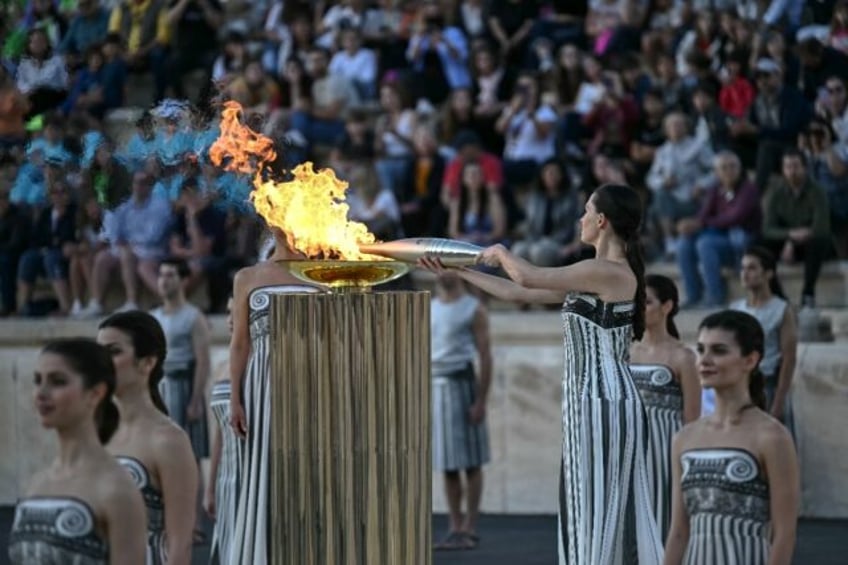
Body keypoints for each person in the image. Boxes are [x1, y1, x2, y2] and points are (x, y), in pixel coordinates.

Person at [420, 183, 663, 564]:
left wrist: (500, 252)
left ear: (601, 221)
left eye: (586, 211)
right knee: (586, 502)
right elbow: (519, 294)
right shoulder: (593, 274)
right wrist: (458, 269)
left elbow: (528, 277)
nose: (579, 218)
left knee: (598, 505)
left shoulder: (605, 270)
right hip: (590, 401)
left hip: (603, 401)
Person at [664, 310, 799, 564]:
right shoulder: (684, 438)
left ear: (750, 360)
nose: (705, 360)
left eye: (719, 350)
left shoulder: (772, 437)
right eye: (701, 349)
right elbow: (679, 532)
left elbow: (784, 534)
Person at [8, 338, 146, 565]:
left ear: (95, 393)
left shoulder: (117, 490)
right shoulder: (36, 484)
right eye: (37, 381)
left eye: (58, 381)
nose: (41, 393)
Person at [229, 228, 319, 564]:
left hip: (312, 382)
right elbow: (240, 342)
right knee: (267, 464)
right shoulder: (248, 277)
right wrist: (236, 398)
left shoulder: (323, 272)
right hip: (262, 382)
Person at [97, 311, 198, 565]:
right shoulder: (95, 431)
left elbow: (180, 547)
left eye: (113, 351)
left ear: (147, 363)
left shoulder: (169, 441)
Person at [630, 274, 701, 542]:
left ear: (667, 306)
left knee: (665, 521)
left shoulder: (683, 356)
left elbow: (692, 419)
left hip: (666, 449)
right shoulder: (628, 350)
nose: (639, 308)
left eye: (646, 301)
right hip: (631, 446)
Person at [150, 257, 211, 542]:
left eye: (170, 275)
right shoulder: (154, 317)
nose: (164, 280)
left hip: (185, 387)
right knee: (161, 458)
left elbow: (202, 361)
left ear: (182, 280)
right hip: (161, 388)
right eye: (161, 275)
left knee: (192, 459)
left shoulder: (193, 316)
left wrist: (196, 399)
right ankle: (168, 524)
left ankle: (195, 525)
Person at [430, 270, 492, 551]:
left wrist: (481, 399)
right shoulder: (429, 308)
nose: (444, 273)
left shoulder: (473, 308)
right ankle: (455, 527)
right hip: (436, 385)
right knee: (448, 463)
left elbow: (485, 354)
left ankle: (470, 526)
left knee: (471, 461)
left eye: (449, 267)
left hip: (463, 383)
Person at [730, 246, 797, 424]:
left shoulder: (781, 309)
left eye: (752, 268)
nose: (745, 273)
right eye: (743, 268)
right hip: (739, 384)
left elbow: (788, 359)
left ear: (768, 273)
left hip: (768, 383)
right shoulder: (736, 308)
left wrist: (779, 402)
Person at [206, 297, 243, 564]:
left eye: (237, 312)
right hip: (226, 476)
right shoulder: (220, 366)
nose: (231, 319)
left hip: (252, 470)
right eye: (228, 312)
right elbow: (219, 430)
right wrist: (211, 486)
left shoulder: (262, 362)